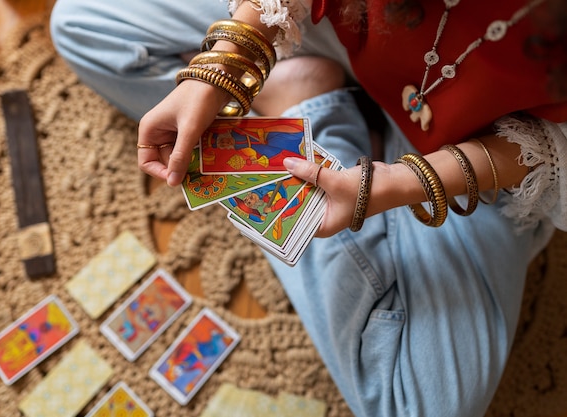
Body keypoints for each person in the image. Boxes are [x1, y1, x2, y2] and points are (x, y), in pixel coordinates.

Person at [49, 0, 567, 416]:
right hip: (339, 28)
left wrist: (392, 184)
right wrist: (225, 64)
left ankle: (304, 104)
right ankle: (318, 110)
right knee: (81, 24)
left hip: (492, 146)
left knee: (420, 405)